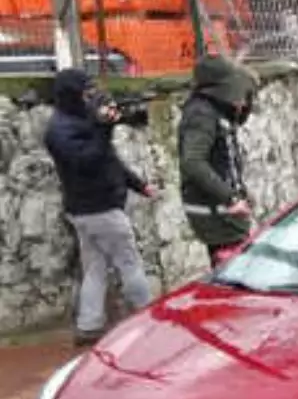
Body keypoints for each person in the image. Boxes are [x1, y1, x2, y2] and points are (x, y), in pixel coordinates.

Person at [43, 69, 159, 346]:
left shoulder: (77, 121)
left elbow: (110, 160)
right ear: (71, 95)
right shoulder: (59, 131)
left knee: (94, 268)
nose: (91, 97)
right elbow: (89, 162)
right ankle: (149, 318)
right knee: (129, 263)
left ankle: (89, 325)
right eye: (86, 92)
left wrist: (139, 185)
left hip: (86, 210)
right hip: (99, 209)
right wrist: (103, 128)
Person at [178, 55, 259, 267]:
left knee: (239, 271)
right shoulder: (201, 114)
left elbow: (225, 159)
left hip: (226, 210)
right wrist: (230, 198)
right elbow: (193, 162)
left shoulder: (217, 110)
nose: (239, 99)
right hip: (218, 215)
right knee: (235, 272)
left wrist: (239, 190)